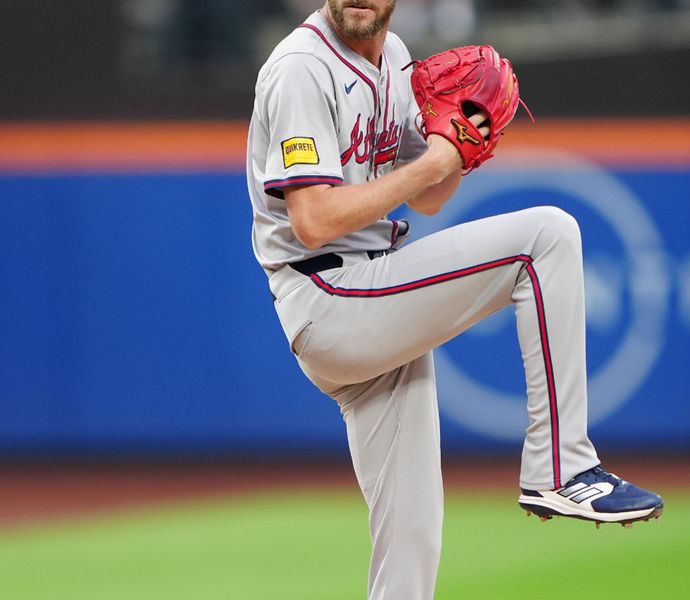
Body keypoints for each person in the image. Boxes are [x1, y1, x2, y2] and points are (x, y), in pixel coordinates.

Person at [246, 2, 663, 599]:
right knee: (545, 237)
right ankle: (561, 467)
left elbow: (430, 197)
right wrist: (440, 159)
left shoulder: (391, 59)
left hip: (373, 297)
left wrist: (461, 144)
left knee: (412, 546)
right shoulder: (300, 69)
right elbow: (313, 220)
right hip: (330, 294)